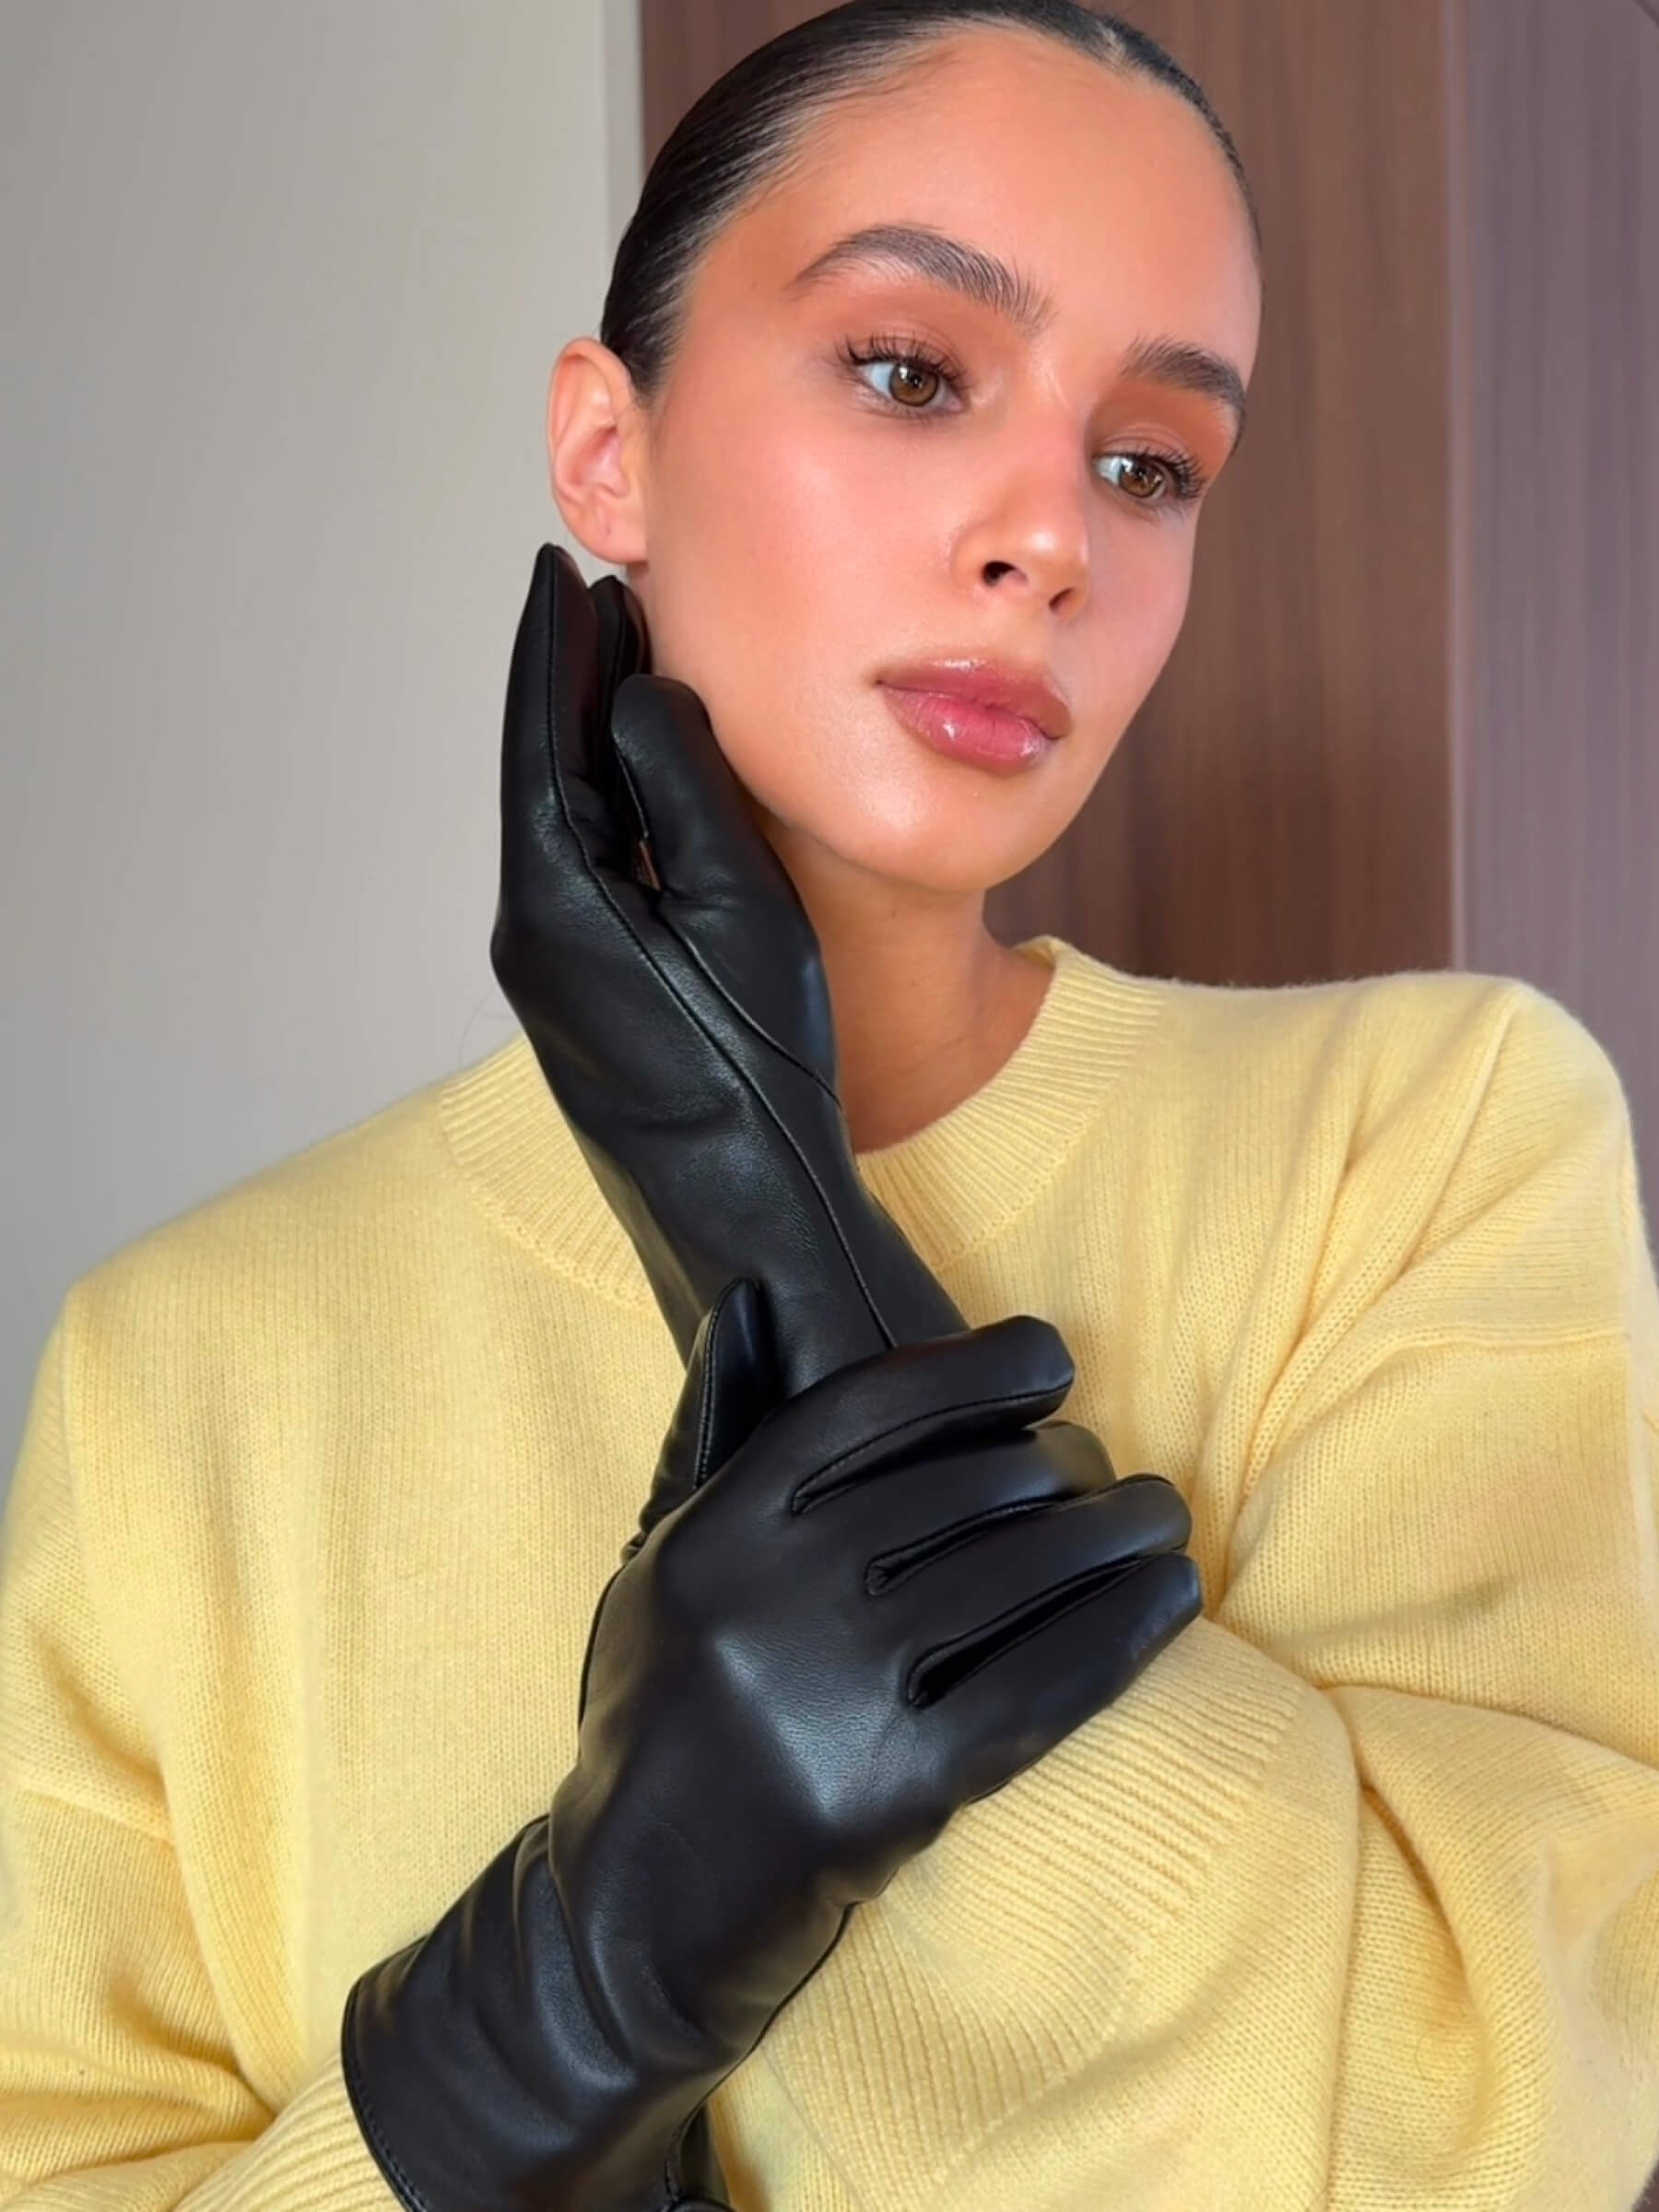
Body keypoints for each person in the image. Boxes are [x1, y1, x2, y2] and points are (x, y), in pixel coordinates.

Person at [4, 3, 1657, 2206]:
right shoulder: (178, 1365)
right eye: (908, 369)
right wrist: (582, 1988)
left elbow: (1490, 2138)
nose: (1051, 538)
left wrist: (775, 1251)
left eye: (1151, 463)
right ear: (607, 450)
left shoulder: (1428, 1142)